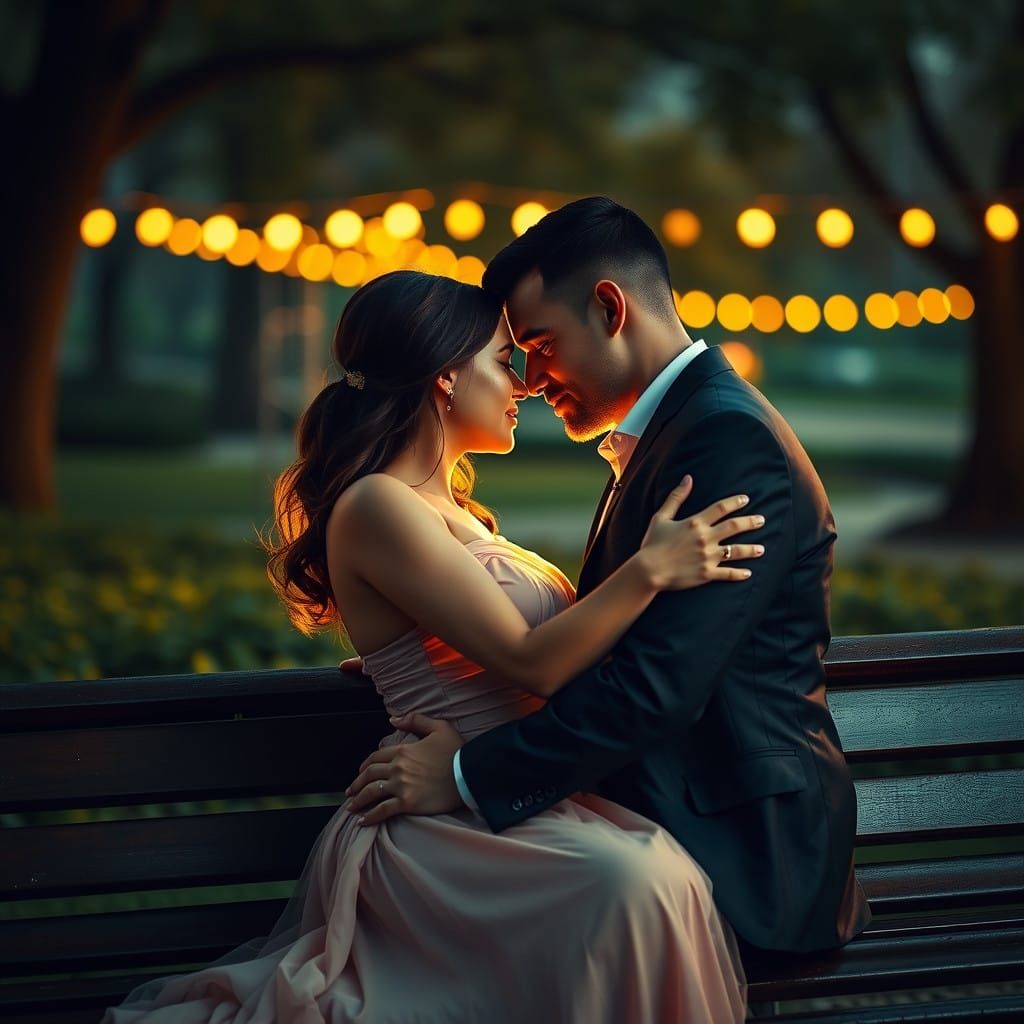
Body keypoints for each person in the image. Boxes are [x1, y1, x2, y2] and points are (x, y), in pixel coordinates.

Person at [101, 267, 759, 1023]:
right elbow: (533, 660)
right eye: (504, 361)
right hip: (444, 825)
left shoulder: (459, 511)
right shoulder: (377, 503)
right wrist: (650, 569)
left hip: (506, 792)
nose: (525, 385)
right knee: (631, 884)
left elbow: (479, 651)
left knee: (657, 876)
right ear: (446, 376)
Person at [344, 197, 872, 963]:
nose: (531, 379)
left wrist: (464, 774)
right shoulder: (671, 434)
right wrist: (419, 650)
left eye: (540, 345)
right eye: (516, 355)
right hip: (636, 826)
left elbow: (653, 686)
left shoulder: (724, 440)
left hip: (743, 855)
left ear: (609, 308)